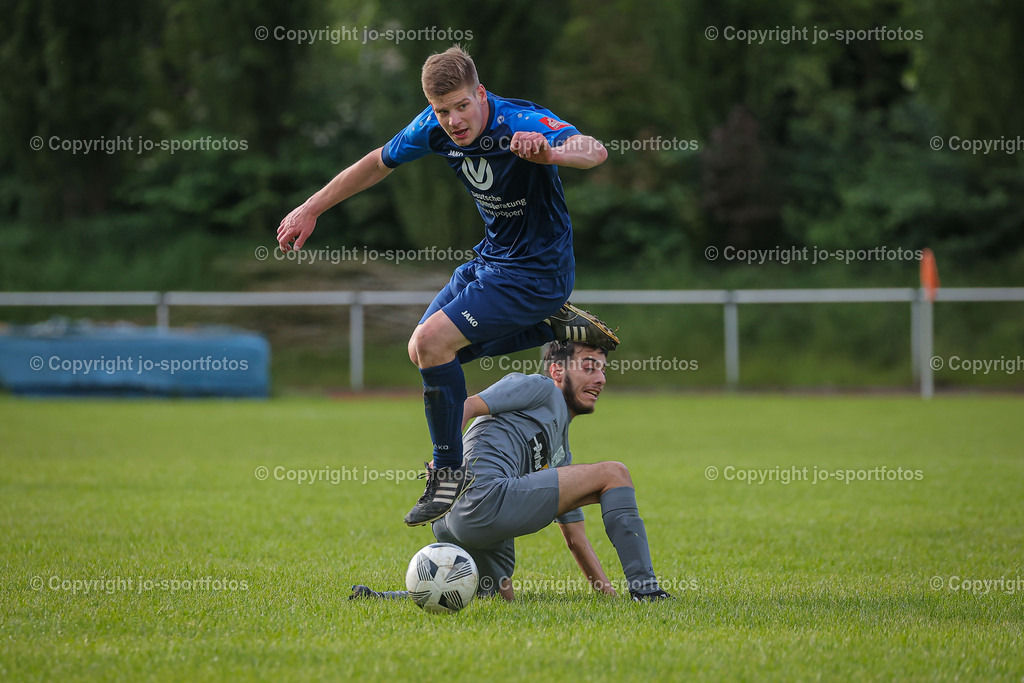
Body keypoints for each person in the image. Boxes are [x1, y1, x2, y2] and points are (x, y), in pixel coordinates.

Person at [276, 45, 620, 526]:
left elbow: (594, 150)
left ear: (480, 93)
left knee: (430, 342)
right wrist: (311, 208)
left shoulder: (519, 120)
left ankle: (448, 472)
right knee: (426, 355)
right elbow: (376, 162)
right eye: (443, 111)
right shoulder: (434, 130)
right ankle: (546, 327)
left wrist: (550, 152)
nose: (454, 120)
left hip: (536, 272)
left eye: (462, 105)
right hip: (491, 261)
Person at [350, 341, 672, 602]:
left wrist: (606, 593)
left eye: (602, 370)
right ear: (557, 370)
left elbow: (575, 538)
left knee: (497, 596)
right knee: (615, 473)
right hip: (480, 496)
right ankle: (646, 591)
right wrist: (444, 463)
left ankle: (383, 597)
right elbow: (464, 406)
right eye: (589, 367)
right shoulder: (541, 388)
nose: (600, 379)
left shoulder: (561, 449)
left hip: (457, 522)